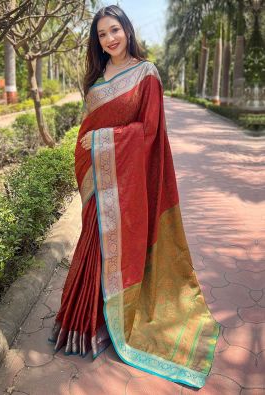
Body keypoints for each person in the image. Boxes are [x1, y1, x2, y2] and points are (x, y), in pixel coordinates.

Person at [48, 5, 220, 389]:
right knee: (92, 243)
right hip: (98, 177)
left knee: (120, 247)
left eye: (115, 30)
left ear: (127, 30)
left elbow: (149, 131)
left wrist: (106, 142)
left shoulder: (146, 74)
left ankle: (116, 319)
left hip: (125, 179)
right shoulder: (97, 77)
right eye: (102, 34)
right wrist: (91, 145)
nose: (110, 39)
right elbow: (87, 127)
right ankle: (84, 323)